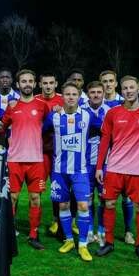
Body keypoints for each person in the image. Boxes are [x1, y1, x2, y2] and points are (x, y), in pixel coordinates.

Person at [95, 76, 139, 261]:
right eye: (125, 88)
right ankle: (109, 242)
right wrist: (100, 167)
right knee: (109, 204)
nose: (128, 90)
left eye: (132, 87)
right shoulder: (113, 113)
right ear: (121, 91)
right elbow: (105, 140)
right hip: (114, 168)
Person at [43, 81, 92, 261]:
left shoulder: (87, 116)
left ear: (79, 97)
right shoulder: (53, 117)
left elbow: (105, 128)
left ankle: (83, 245)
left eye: (74, 94)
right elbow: (40, 131)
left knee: (83, 206)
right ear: (61, 97)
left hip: (80, 170)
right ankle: (69, 240)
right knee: (63, 206)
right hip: (59, 171)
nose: (70, 97)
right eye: (67, 94)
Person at [1, 69, 49, 250]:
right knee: (12, 197)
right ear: (18, 85)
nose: (27, 84)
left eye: (30, 81)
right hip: (15, 159)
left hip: (36, 160)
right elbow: (1, 127)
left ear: (35, 84)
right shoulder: (12, 106)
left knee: (35, 198)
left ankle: (34, 235)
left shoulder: (42, 106)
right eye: (23, 81)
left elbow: (49, 124)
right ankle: (10, 232)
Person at [99, 70, 135, 244]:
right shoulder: (95, 102)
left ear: (115, 84)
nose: (107, 84)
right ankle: (102, 231)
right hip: (102, 158)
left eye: (111, 81)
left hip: (125, 159)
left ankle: (128, 231)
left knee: (127, 197)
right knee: (104, 198)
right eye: (104, 81)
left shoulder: (126, 103)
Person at [34, 72, 65, 237]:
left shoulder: (63, 99)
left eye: (51, 82)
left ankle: (57, 221)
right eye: (44, 83)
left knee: (57, 187)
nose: (47, 86)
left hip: (58, 152)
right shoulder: (34, 100)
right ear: (40, 84)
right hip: (39, 151)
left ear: (56, 83)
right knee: (37, 188)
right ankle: (35, 225)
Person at [82, 81, 112, 245]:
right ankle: (88, 231)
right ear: (88, 94)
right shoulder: (81, 111)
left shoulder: (110, 111)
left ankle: (101, 231)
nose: (96, 95)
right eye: (92, 92)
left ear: (104, 93)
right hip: (85, 164)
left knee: (103, 199)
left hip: (105, 163)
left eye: (99, 92)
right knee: (87, 199)